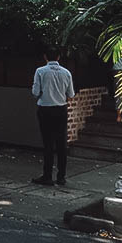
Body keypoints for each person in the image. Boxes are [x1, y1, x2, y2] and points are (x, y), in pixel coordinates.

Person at [31, 47, 74, 186]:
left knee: (48, 143)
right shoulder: (66, 72)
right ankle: (61, 176)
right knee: (61, 144)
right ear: (59, 57)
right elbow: (71, 94)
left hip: (45, 109)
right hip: (61, 109)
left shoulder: (40, 71)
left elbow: (35, 92)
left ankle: (47, 175)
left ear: (45, 57)